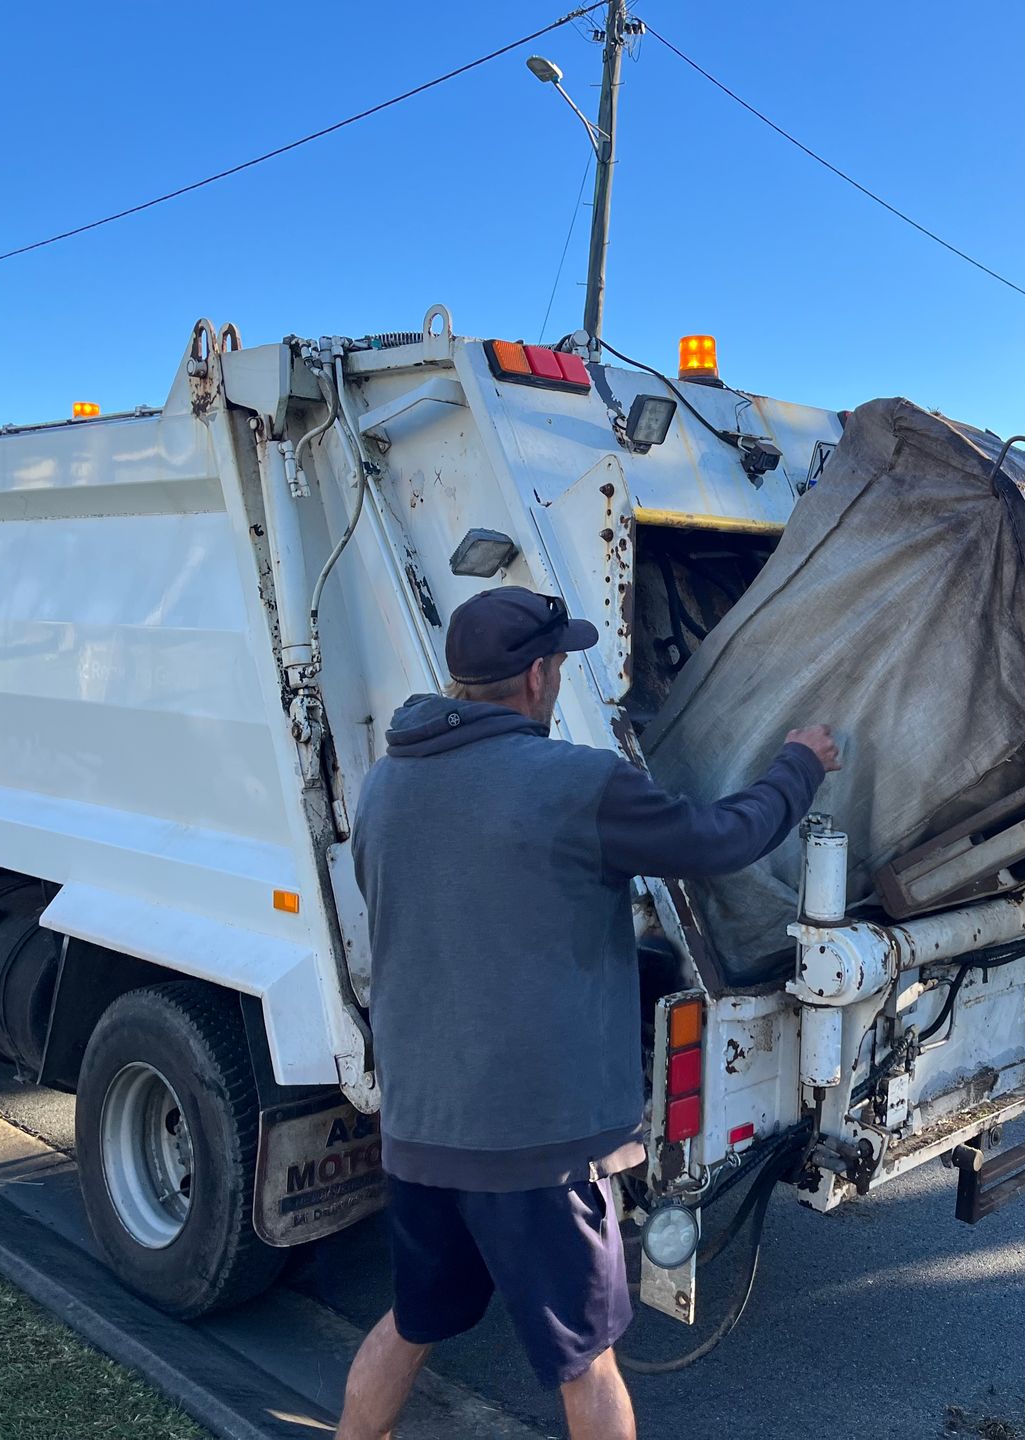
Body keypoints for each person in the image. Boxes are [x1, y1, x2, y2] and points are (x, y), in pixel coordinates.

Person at [337, 585, 840, 1440]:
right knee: (586, 1361)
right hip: (539, 1152)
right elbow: (720, 841)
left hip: (421, 1133)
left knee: (416, 1319)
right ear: (538, 677)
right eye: (562, 665)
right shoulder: (575, 783)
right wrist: (802, 762)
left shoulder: (387, 785)